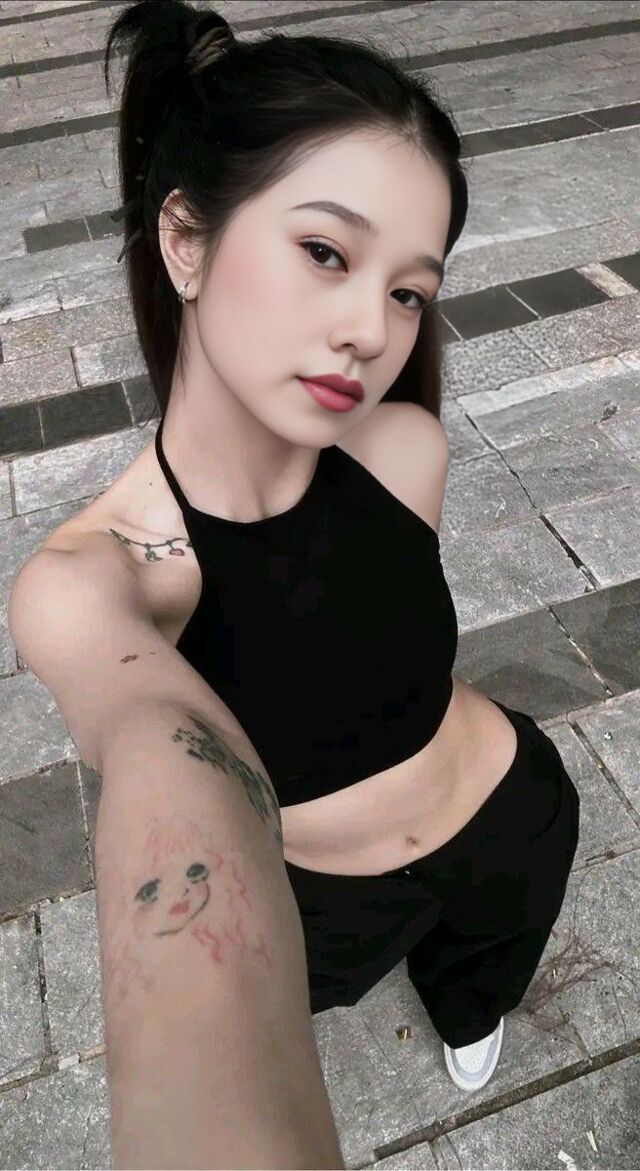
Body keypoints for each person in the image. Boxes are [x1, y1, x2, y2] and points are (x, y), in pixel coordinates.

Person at [8, 0, 581, 1165]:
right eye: (325, 251)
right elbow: (161, 768)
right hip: (320, 899)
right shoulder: (95, 581)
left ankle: (469, 1004)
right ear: (185, 239)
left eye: (409, 290)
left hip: (510, 813)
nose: (372, 327)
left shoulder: (404, 450)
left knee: (484, 979)